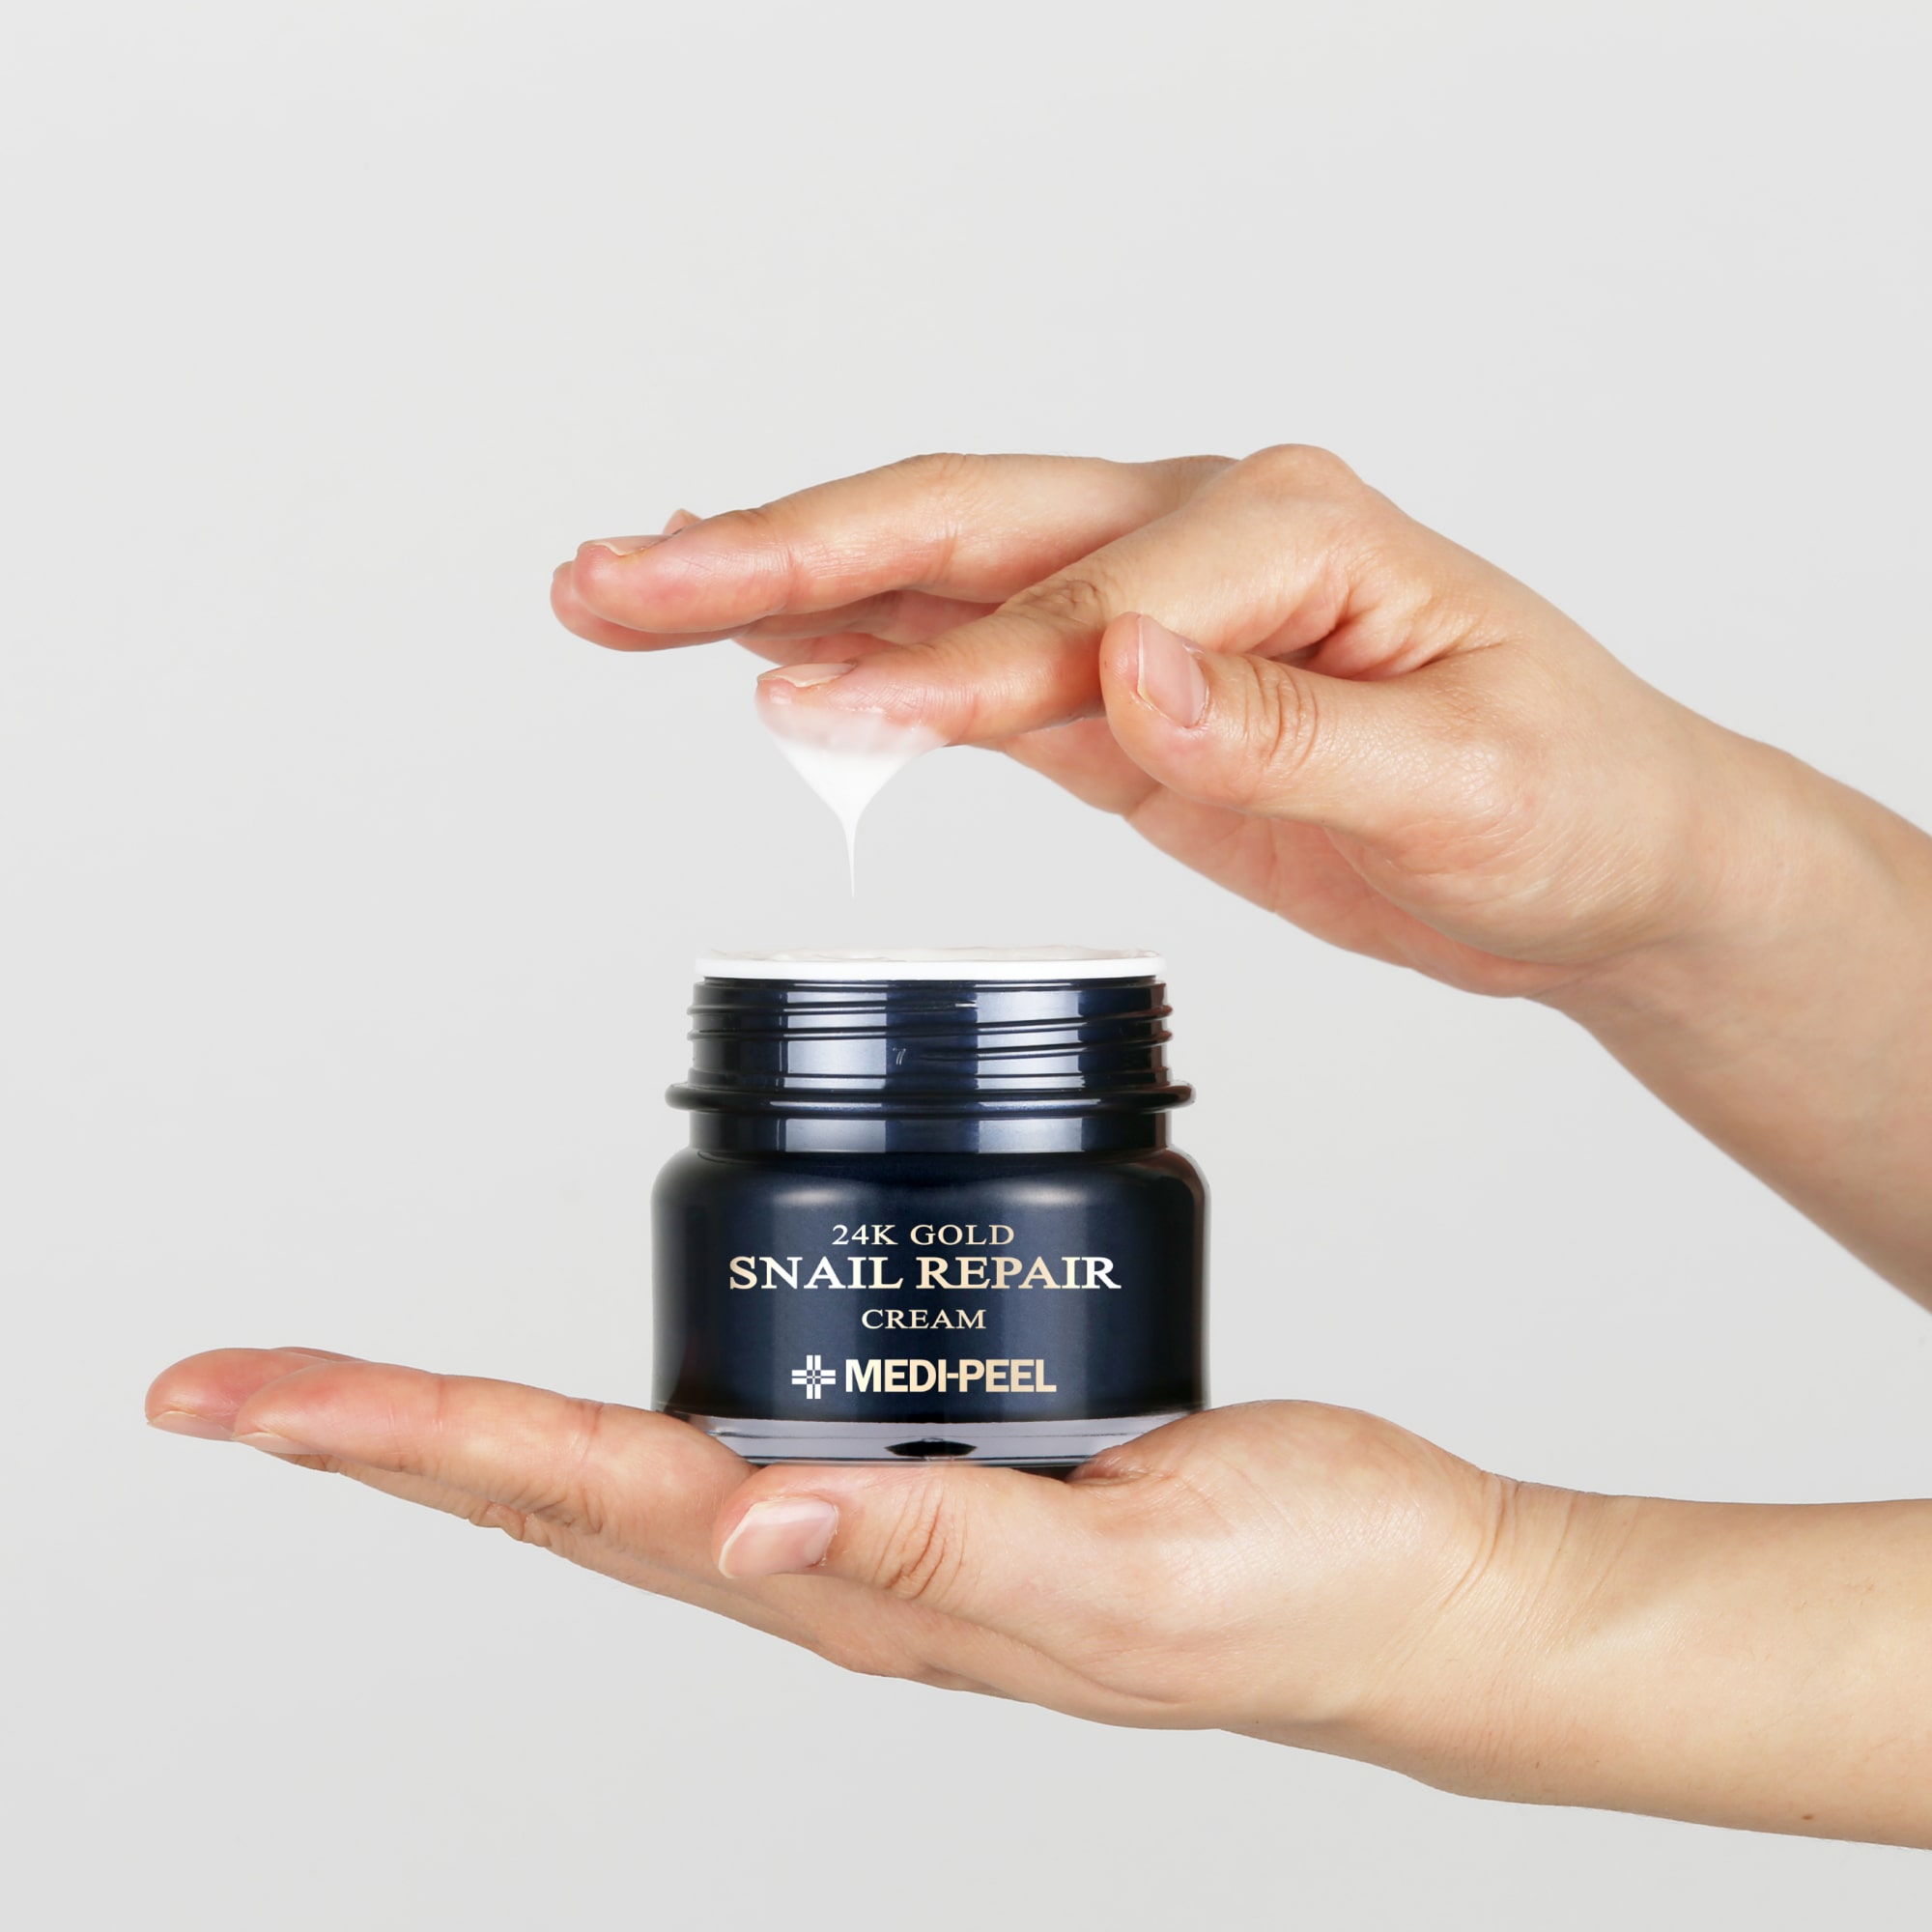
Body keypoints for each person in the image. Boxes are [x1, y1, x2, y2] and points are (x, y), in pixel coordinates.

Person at [147, 449, 1932, 1845]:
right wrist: (1701, 895)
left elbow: (1484, 1613)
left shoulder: (1086, 1177)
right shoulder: (804, 1170)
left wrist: (1490, 1609)